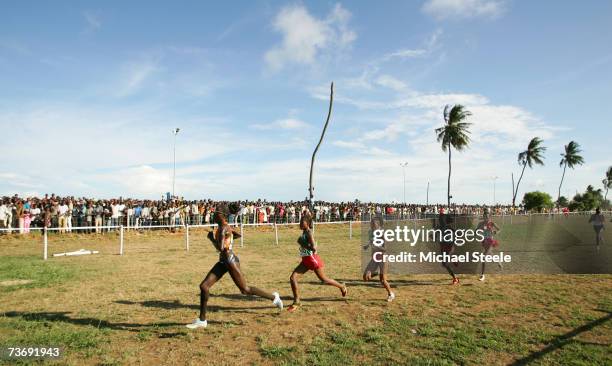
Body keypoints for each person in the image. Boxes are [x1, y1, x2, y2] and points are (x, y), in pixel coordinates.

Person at [186, 204, 283, 329]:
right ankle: (202, 320)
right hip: (223, 261)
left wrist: (211, 238)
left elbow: (220, 248)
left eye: (216, 213)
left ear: (222, 215)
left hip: (230, 261)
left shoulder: (223, 228)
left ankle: (274, 297)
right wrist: (230, 236)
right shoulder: (224, 227)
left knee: (245, 290)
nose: (214, 214)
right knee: (204, 286)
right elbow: (236, 236)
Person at [287, 211, 347, 312]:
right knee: (293, 278)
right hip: (305, 260)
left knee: (324, 279)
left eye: (302, 222)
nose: (300, 224)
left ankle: (342, 286)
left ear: (307, 223)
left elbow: (314, 248)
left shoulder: (309, 232)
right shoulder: (304, 232)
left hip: (312, 259)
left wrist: (303, 243)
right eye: (300, 222)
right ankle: (296, 301)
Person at [362, 216, 395, 302]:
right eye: (371, 223)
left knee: (383, 280)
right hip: (374, 258)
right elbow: (372, 240)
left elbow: (385, 249)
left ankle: (391, 294)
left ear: (378, 224)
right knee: (365, 277)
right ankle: (376, 273)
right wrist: (367, 245)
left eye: (374, 224)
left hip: (382, 257)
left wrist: (376, 246)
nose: (372, 225)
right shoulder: (371, 232)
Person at [476, 211, 502, 281]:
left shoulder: (492, 223)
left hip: (490, 241)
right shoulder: (481, 223)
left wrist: (496, 232)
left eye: (487, 217)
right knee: (490, 253)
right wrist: (476, 233)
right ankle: (498, 262)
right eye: (485, 217)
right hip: (484, 241)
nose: (486, 218)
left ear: (489, 217)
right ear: (483, 217)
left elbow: (499, 229)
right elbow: (476, 230)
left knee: (484, 256)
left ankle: (482, 275)